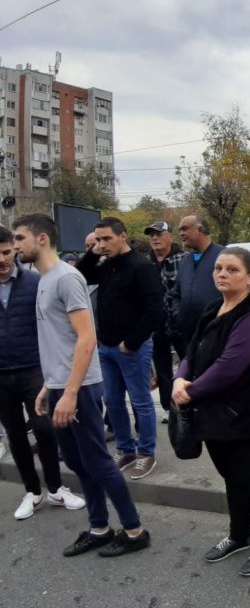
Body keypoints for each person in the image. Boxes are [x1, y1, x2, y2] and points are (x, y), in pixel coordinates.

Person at [12, 213, 150, 557]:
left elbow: (87, 339)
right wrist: (50, 386)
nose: (15, 246)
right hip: (60, 385)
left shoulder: (66, 278)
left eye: (19, 238)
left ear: (41, 239)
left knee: (99, 462)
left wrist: (70, 392)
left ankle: (135, 530)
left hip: (81, 388)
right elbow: (57, 341)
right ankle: (99, 527)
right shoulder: (42, 278)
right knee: (76, 461)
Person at [172, 247, 250, 577]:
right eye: (219, 268)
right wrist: (180, 377)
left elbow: (228, 369)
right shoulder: (213, 309)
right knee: (231, 478)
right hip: (213, 416)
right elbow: (191, 352)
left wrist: (188, 390)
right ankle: (239, 535)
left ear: (249, 277)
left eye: (232, 270)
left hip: (245, 417)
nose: (223, 274)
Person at [0, 226, 85, 520]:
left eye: (6, 251)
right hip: (1, 375)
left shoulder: (36, 282)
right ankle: (32, 492)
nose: (2, 259)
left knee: (45, 429)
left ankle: (56, 487)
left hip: (35, 368)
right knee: (15, 434)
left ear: (13, 250)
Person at [76, 217, 164, 480]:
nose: (102, 244)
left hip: (132, 348)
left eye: (107, 239)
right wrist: (92, 253)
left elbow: (154, 311)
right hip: (106, 346)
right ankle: (125, 449)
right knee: (113, 402)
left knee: (141, 402)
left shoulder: (141, 266)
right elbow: (80, 275)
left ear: (122, 236)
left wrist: (132, 342)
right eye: (98, 239)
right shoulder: (106, 265)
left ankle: (145, 453)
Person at [146, 221, 186, 417]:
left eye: (159, 234)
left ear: (170, 236)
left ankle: (187, 405)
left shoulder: (184, 259)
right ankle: (170, 408)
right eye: (151, 235)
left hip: (180, 323)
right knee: (162, 370)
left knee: (188, 363)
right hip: (156, 326)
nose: (155, 238)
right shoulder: (146, 262)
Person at [168, 215, 224, 351]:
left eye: (185, 229)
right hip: (188, 339)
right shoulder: (186, 261)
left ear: (200, 230)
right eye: (180, 230)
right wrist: (178, 315)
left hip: (216, 337)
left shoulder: (223, 256)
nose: (181, 234)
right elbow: (176, 294)